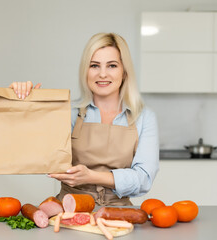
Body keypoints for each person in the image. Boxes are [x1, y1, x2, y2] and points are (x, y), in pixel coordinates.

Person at [9, 32, 159, 206]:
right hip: (68, 208)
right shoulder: (68, 112)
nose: (102, 74)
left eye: (112, 65)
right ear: (86, 71)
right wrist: (23, 103)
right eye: (94, 65)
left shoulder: (144, 117)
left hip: (118, 213)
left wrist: (91, 177)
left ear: (124, 72)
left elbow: (143, 179)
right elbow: (35, 150)